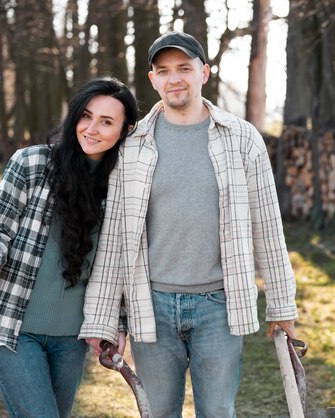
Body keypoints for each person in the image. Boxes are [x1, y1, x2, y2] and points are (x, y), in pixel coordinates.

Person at [79, 31, 298, 417]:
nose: (174, 78)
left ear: (204, 73)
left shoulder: (242, 139)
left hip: (220, 306)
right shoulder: (133, 146)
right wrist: (102, 320)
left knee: (217, 412)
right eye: (163, 70)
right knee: (159, 413)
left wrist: (281, 304)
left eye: (184, 67)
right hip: (153, 306)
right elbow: (115, 239)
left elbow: (266, 224)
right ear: (152, 80)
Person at [0, 76, 138, 418]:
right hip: (13, 327)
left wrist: (117, 323)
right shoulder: (32, 164)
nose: (91, 128)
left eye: (106, 121)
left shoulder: (122, 187)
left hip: (72, 339)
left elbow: (121, 265)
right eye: (86, 116)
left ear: (125, 130)